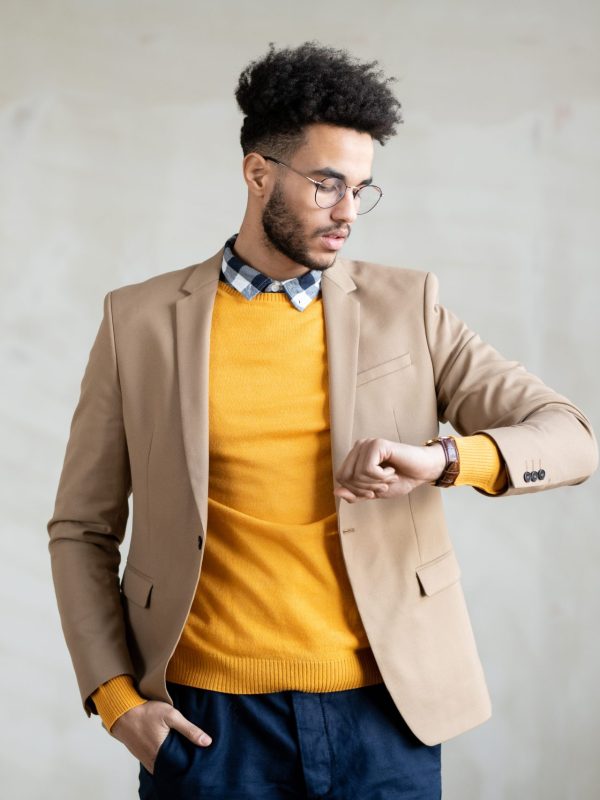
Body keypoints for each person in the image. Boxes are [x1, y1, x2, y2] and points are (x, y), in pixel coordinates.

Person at [48, 42, 598, 800]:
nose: (347, 213)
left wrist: (443, 460)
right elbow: (81, 526)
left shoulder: (411, 307)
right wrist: (116, 702)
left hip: (386, 717)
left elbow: (571, 436)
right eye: (327, 185)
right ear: (257, 174)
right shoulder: (137, 322)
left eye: (362, 190)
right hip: (208, 730)